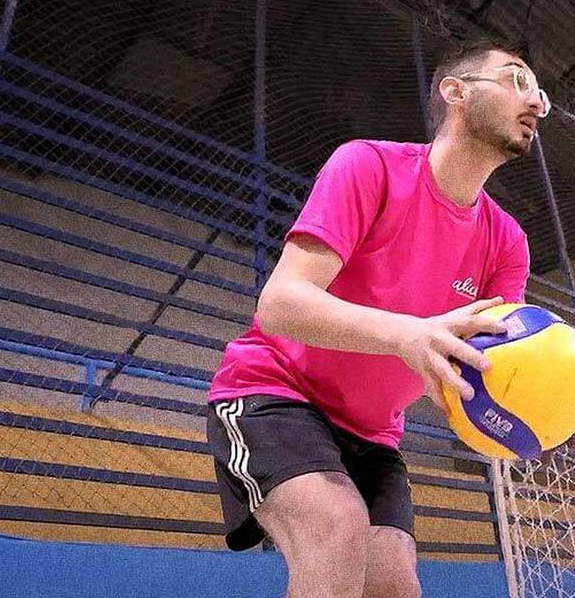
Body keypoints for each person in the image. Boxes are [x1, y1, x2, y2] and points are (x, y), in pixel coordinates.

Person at [206, 37, 549, 597]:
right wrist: (407, 335)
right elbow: (280, 303)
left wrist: (518, 400)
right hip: (276, 392)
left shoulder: (507, 242)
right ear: (455, 92)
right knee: (336, 526)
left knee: (394, 584)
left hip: (374, 433)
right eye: (516, 79)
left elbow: (484, 359)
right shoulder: (369, 166)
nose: (534, 101)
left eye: (540, 94)